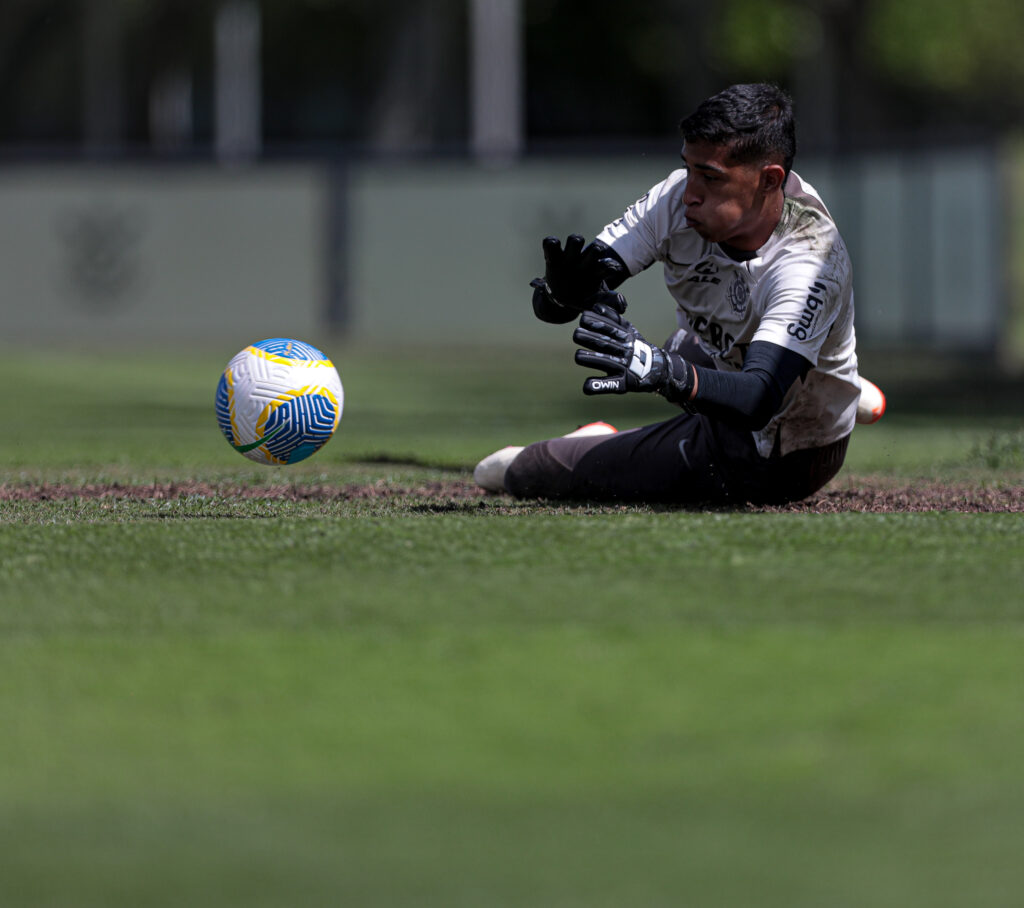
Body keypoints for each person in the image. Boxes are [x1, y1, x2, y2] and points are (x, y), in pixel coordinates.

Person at [474, 82, 885, 505]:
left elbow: (757, 400)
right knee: (684, 346)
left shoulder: (811, 262)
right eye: (688, 168)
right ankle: (826, 370)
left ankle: (820, 381)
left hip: (779, 452)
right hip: (729, 359)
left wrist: (661, 371)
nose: (689, 193)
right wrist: (561, 295)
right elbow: (566, 300)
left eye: (710, 177)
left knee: (513, 469)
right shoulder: (677, 201)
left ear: (769, 180)